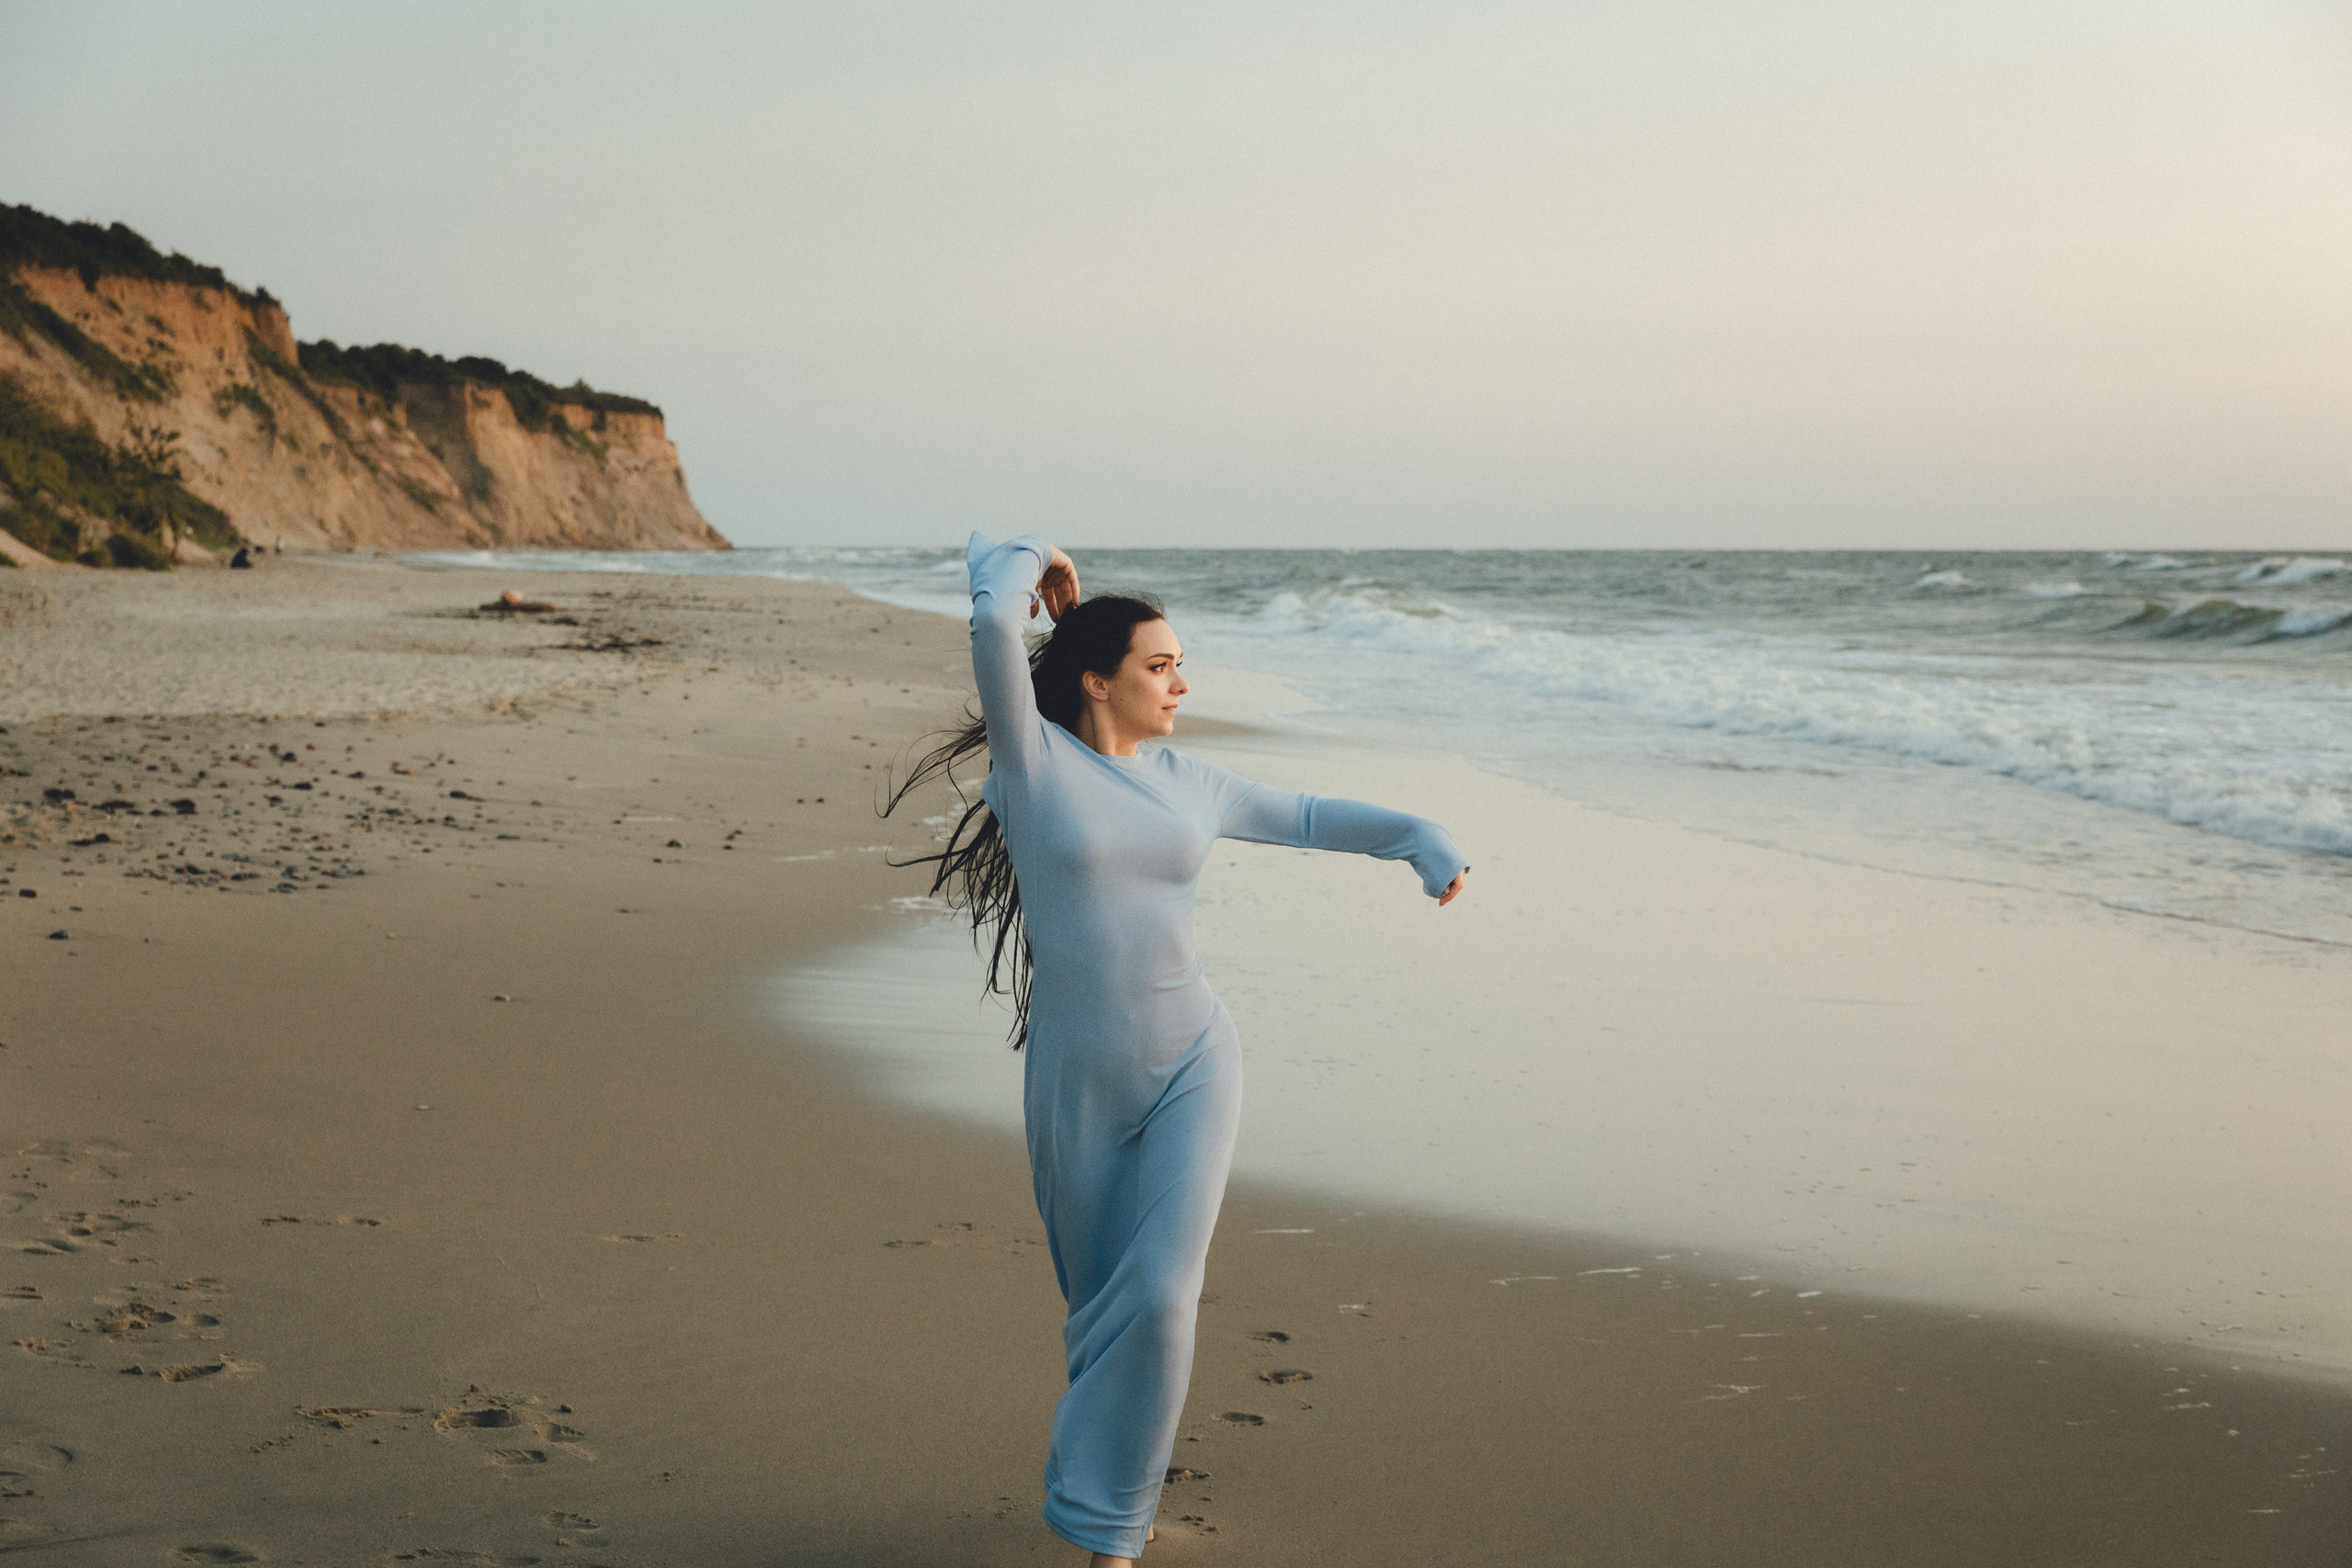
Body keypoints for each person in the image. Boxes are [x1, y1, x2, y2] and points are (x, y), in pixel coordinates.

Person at [886, 534, 1468, 1565]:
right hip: (1078, 1084)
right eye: (1160, 666)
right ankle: (1109, 1482)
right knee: (1104, 1309)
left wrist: (1417, 836)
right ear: (1096, 680)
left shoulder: (1186, 779)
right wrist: (1028, 557)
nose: (1181, 684)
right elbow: (990, 623)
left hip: (1193, 1061)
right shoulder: (1034, 763)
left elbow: (1304, 814)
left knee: (1159, 1299)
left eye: (1179, 664)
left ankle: (1110, 1536)